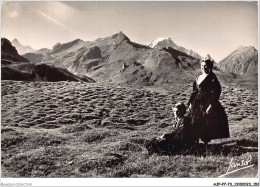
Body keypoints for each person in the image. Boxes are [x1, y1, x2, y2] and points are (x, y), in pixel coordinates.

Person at [187, 57, 229, 145]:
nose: (203, 67)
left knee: (205, 123)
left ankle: (205, 145)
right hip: (196, 102)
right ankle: (196, 143)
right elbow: (194, 91)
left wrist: (211, 105)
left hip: (207, 103)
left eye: (205, 65)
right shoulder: (198, 76)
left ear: (209, 66)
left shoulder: (212, 77)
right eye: (202, 65)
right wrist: (190, 103)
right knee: (193, 121)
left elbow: (217, 91)